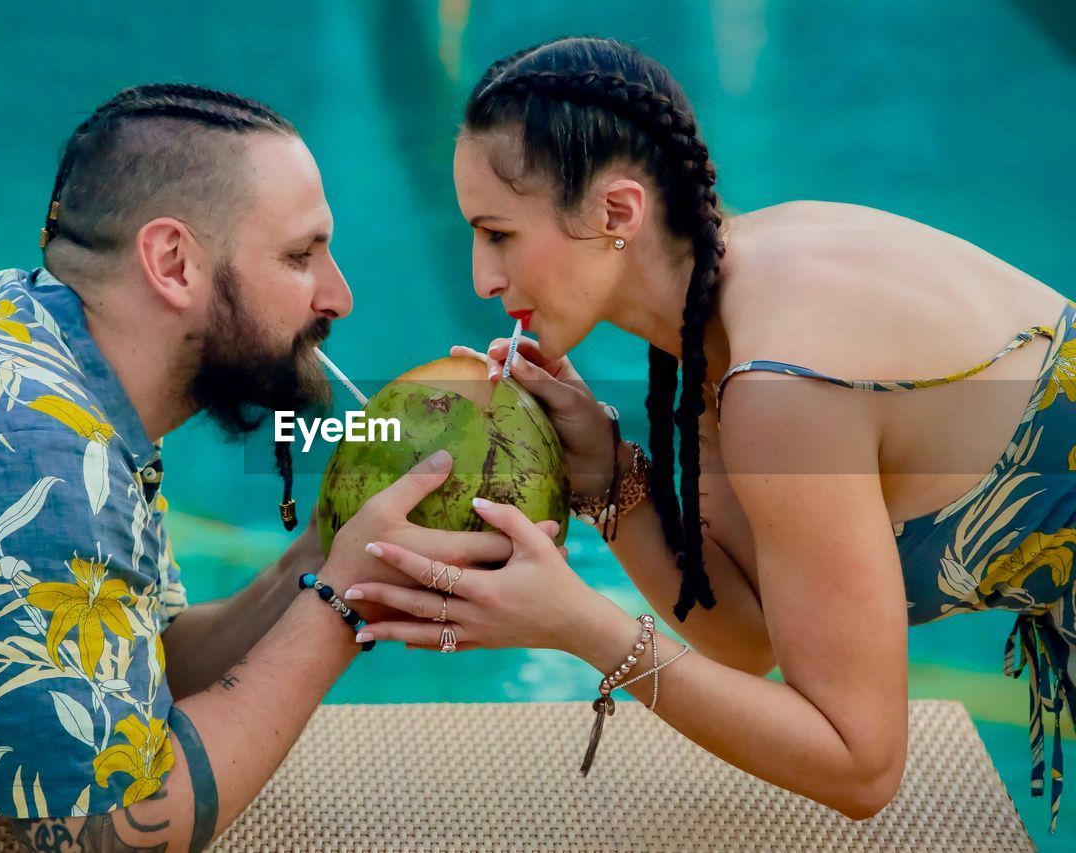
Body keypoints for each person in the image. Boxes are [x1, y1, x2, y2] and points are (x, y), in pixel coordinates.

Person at [342, 37, 1076, 833]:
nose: (483, 278)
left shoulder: (781, 385)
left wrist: (581, 623)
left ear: (617, 211)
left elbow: (861, 764)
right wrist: (607, 476)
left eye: (500, 233)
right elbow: (747, 634)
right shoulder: (727, 318)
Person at [0, 84, 536, 851]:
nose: (338, 296)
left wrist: (322, 553)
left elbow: (142, 666)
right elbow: (111, 835)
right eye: (300, 255)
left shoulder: (26, 348)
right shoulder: (32, 463)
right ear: (174, 261)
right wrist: (340, 607)